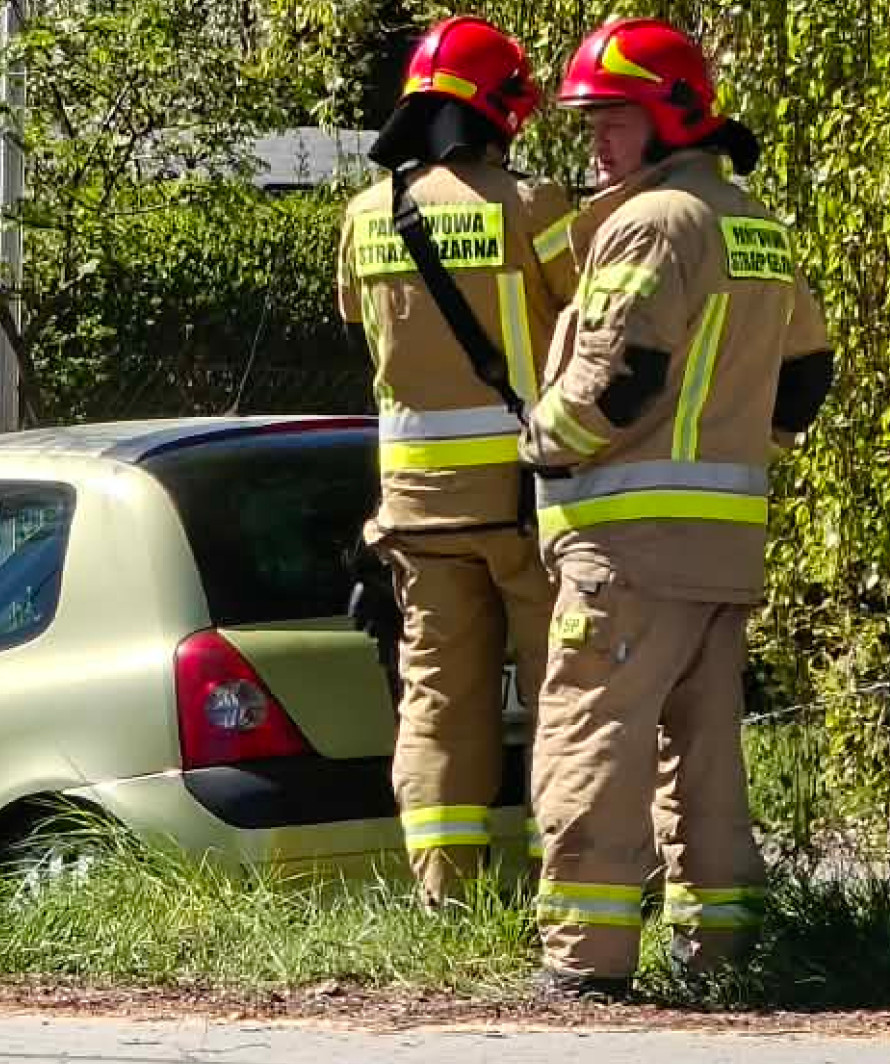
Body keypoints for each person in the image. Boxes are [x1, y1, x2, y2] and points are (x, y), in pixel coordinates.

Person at [518, 16, 835, 999]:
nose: (597, 144)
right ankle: (720, 949)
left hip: (629, 547)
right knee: (704, 754)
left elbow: (621, 378)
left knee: (590, 734)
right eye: (589, 123)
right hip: (722, 549)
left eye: (613, 121)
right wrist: (739, 444)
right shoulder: (752, 222)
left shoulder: (654, 222)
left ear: (667, 119)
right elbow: (807, 376)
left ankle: (586, 958)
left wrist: (540, 440)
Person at [335, 14, 580, 907]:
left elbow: (363, 325)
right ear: (502, 110)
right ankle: (568, 888)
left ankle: (446, 897)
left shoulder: (367, 217)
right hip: (526, 501)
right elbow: (594, 315)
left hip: (415, 508)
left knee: (437, 701)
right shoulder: (534, 208)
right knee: (566, 695)